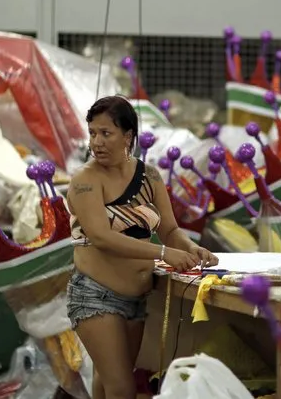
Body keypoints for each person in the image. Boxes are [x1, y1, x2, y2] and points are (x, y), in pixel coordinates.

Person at [66, 96, 218, 399]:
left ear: (128, 136)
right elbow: (101, 237)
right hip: (96, 294)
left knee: (107, 382)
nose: (97, 142)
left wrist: (191, 248)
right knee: (122, 388)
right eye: (93, 133)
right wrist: (163, 253)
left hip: (136, 298)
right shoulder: (85, 180)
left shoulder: (149, 177)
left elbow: (170, 229)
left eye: (106, 133)